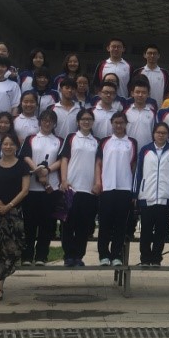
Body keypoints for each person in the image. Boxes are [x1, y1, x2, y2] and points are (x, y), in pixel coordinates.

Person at [0, 133, 29, 302]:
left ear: (16, 146)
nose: (8, 147)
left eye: (11, 144)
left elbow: (25, 190)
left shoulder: (22, 165)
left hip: (13, 213)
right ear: (1, 146)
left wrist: (8, 206)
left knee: (9, 249)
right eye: (5, 144)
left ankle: (0, 284)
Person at [19, 109, 63, 266]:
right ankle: (27, 256)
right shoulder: (31, 139)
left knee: (47, 224)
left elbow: (61, 160)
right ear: (39, 122)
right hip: (31, 187)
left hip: (51, 188)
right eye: (44, 120)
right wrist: (37, 170)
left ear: (54, 123)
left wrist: (47, 170)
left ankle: (41, 256)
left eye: (50, 120)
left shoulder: (59, 140)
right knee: (29, 224)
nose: (47, 123)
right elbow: (25, 156)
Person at [95, 112, 138, 267]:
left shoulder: (132, 142)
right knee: (105, 223)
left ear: (126, 124)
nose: (119, 125)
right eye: (116, 122)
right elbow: (98, 163)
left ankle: (116, 254)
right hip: (107, 187)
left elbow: (134, 166)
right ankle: (103, 255)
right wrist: (98, 182)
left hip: (124, 187)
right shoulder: (105, 141)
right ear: (111, 123)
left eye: (121, 123)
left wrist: (133, 189)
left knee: (121, 224)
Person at [133, 122, 169, 266]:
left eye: (164, 133)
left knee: (160, 231)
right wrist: (135, 193)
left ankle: (156, 258)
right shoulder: (145, 150)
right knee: (146, 230)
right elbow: (138, 173)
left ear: (168, 135)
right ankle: (145, 258)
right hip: (147, 196)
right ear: (153, 134)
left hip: (165, 197)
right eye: (158, 132)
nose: (161, 135)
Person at [59, 109, 101, 267]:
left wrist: (97, 183)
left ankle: (78, 256)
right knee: (68, 224)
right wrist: (64, 180)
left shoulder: (97, 141)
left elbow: (98, 163)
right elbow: (64, 159)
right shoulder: (71, 138)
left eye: (89, 119)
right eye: (83, 119)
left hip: (89, 190)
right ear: (78, 121)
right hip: (72, 188)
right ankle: (68, 255)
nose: (86, 121)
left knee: (84, 225)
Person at [124, 79, 156, 149]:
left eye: (144, 92)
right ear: (132, 93)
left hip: (147, 151)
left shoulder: (153, 113)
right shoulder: (125, 112)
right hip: (129, 149)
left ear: (148, 94)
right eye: (137, 92)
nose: (140, 95)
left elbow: (155, 133)